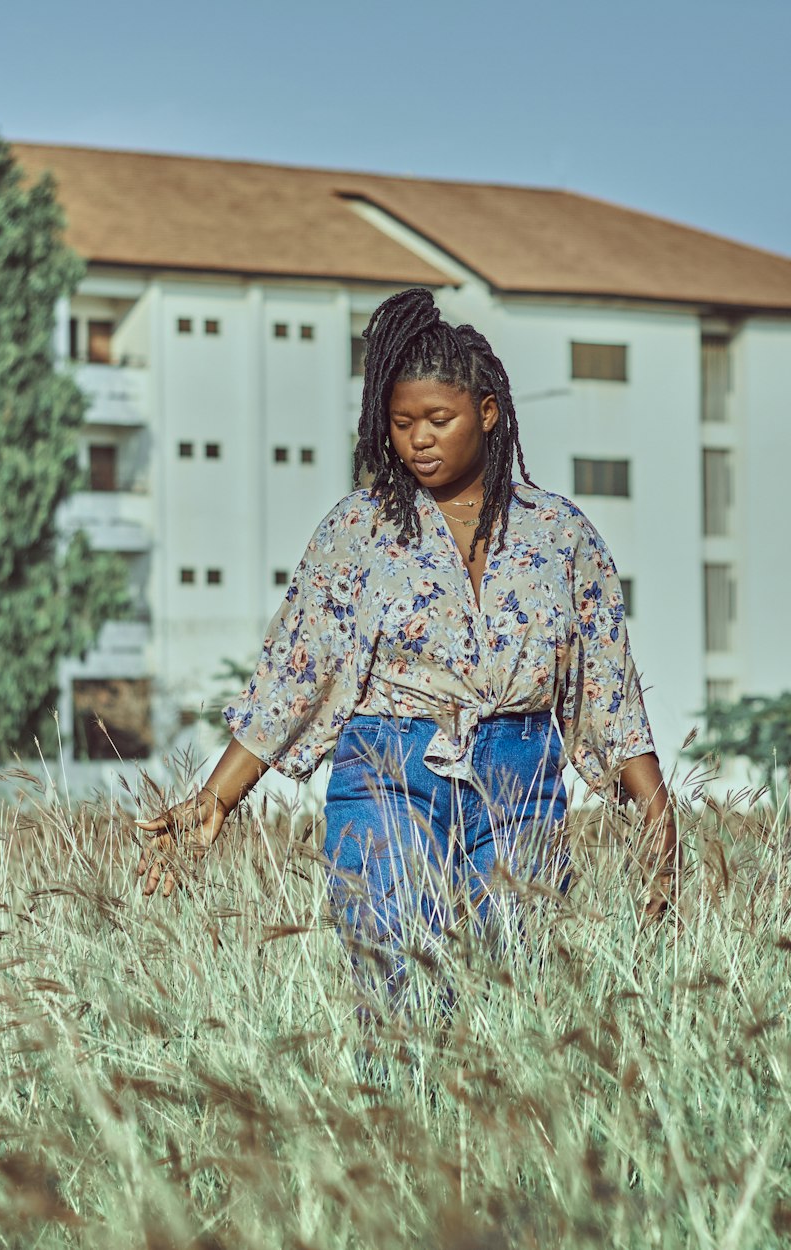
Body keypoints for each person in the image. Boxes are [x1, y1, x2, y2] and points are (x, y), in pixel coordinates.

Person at [138, 288, 678, 1006]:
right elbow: (294, 677)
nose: (417, 439)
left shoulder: (560, 533)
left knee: (511, 992)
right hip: (388, 769)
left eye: (437, 419)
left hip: (522, 776)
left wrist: (658, 820)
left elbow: (608, 688)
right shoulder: (358, 529)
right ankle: (396, 1114)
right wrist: (214, 800)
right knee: (400, 985)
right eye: (400, 423)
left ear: (487, 413)